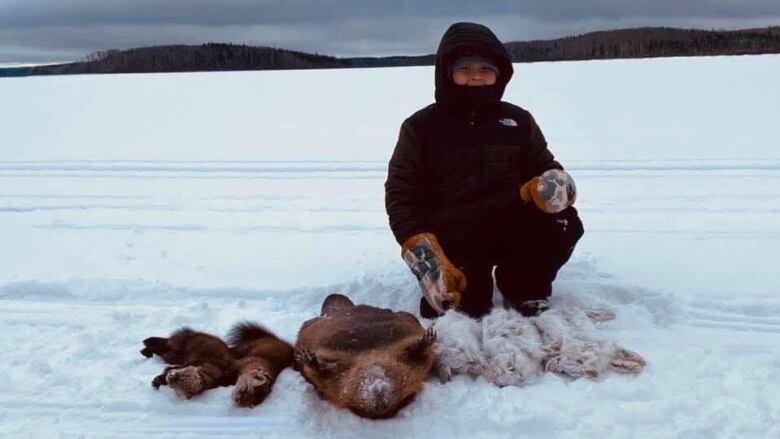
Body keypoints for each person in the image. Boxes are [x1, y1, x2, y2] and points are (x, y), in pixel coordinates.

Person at [385, 22, 583, 319]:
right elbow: (401, 195)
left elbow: (546, 167)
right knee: (466, 309)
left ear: (499, 73)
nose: (476, 75)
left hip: (509, 222)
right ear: (448, 72)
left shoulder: (518, 121)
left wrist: (555, 185)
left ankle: (525, 288)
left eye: (485, 68)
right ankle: (455, 279)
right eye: (465, 68)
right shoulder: (420, 127)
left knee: (562, 222)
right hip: (452, 234)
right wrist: (422, 250)